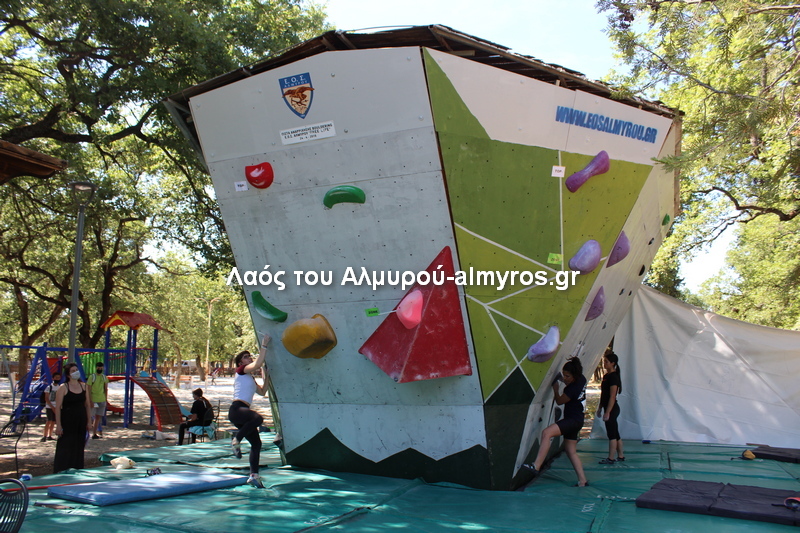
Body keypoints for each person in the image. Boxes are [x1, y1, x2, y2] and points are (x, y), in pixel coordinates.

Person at [523, 357, 589, 486]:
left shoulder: (570, 390)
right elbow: (571, 384)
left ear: (574, 376)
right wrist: (563, 381)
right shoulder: (582, 379)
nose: (565, 378)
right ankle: (582, 480)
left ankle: (536, 465)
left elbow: (559, 401)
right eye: (563, 375)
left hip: (572, 420)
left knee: (546, 433)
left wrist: (555, 388)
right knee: (571, 451)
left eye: (567, 376)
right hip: (578, 420)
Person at [229, 333, 271, 488]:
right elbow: (258, 363)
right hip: (237, 409)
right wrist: (264, 345)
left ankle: (254, 475)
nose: (249, 358)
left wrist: (266, 374)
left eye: (249, 356)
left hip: (244, 413)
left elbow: (263, 391)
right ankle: (236, 439)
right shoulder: (240, 370)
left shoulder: (250, 378)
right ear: (241, 362)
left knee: (257, 444)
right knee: (259, 419)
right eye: (247, 356)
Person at [53, 362, 92, 473]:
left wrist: (89, 421)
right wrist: (58, 425)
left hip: (81, 420)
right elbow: (58, 407)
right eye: (73, 371)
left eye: (76, 370)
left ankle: (77, 469)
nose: (76, 372)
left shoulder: (84, 386)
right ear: (68, 375)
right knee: (65, 446)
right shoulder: (63, 387)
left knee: (78, 446)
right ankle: (61, 470)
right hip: (67, 421)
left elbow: (87, 405)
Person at [598, 351, 625, 464]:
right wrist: (600, 407)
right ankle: (621, 455)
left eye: (606, 362)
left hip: (613, 409)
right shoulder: (606, 376)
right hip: (607, 407)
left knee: (611, 434)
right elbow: (603, 394)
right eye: (604, 361)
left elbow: (612, 396)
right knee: (616, 433)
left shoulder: (613, 377)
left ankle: (611, 458)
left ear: (613, 363)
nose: (604, 363)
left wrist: (607, 412)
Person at [88, 361, 108, 439]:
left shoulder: (104, 377)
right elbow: (89, 389)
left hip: (101, 399)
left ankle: (94, 433)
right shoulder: (92, 377)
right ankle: (87, 433)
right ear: (96, 367)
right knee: (90, 417)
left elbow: (105, 389)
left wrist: (105, 399)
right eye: (98, 367)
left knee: (98, 418)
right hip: (93, 399)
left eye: (101, 367)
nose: (99, 369)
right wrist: (90, 400)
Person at [41, 371, 61, 442]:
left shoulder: (60, 387)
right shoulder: (49, 387)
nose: (57, 379)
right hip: (49, 407)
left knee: (53, 421)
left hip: (57, 407)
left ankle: (50, 435)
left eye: (59, 378)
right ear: (53, 378)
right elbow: (46, 398)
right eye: (56, 377)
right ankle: (44, 435)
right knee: (49, 421)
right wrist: (52, 406)